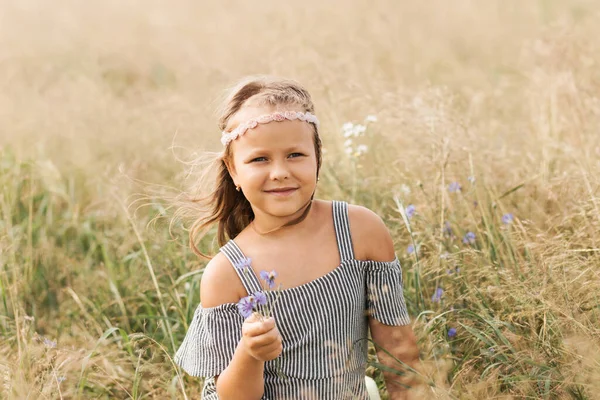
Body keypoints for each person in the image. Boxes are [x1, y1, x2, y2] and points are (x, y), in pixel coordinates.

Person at [174, 76, 420, 399]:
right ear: (233, 170)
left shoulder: (361, 232)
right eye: (260, 159)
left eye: (295, 155)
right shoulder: (227, 274)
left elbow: (399, 354)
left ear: (318, 156)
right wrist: (250, 353)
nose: (279, 172)